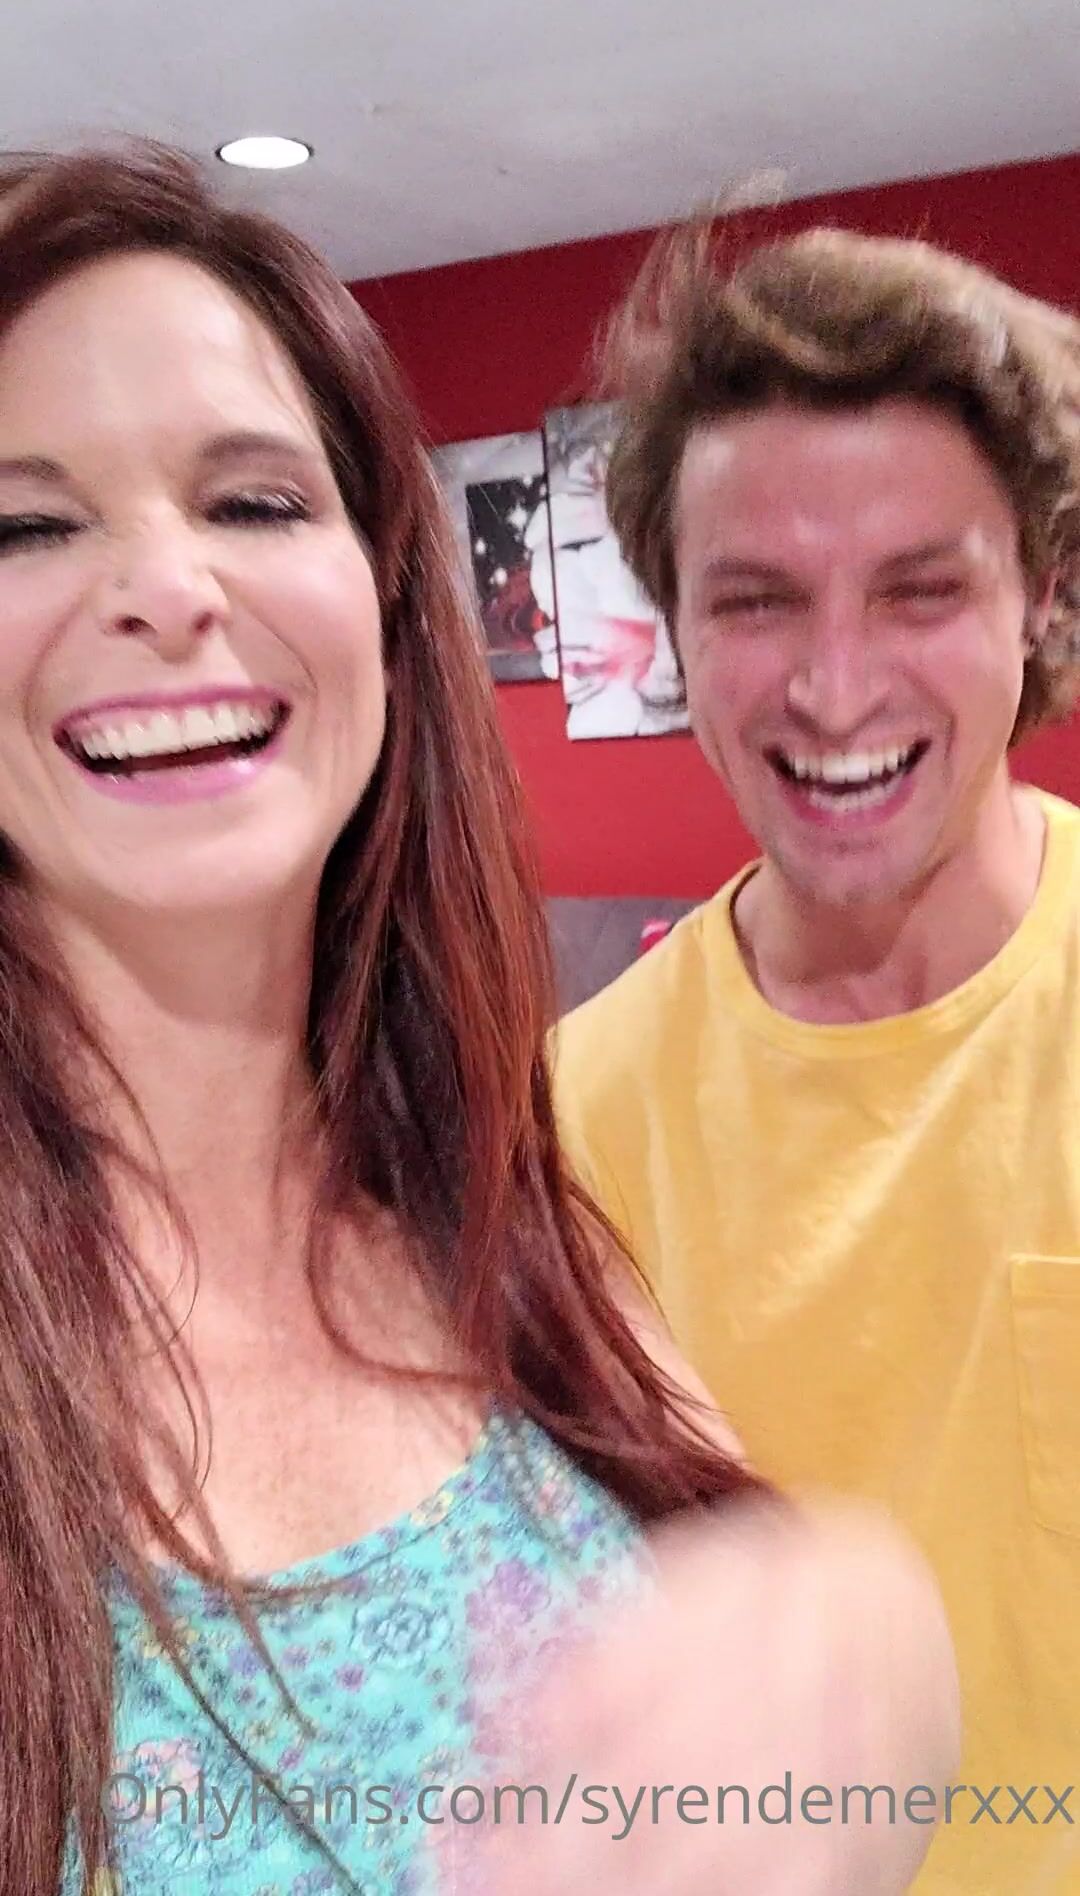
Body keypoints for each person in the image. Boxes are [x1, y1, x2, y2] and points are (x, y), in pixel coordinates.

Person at [0, 148, 955, 1896]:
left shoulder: (494, 1196)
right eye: (26, 525)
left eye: (253, 502)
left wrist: (862, 1634)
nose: (167, 584)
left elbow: (765, 1682)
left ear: (385, 598)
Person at [553, 218, 1080, 1893]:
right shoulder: (568, 1127)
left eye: (922, 589)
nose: (836, 689)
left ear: (1040, 599)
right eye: (758, 600)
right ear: (675, 633)